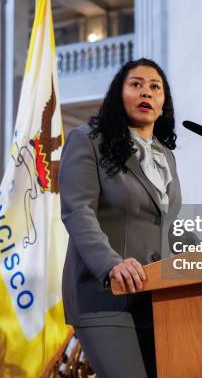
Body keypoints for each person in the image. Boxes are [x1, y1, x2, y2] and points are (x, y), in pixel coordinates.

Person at [59, 58, 181, 378]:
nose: (147, 92)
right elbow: (78, 211)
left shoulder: (164, 155)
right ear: (119, 93)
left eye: (155, 87)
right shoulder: (87, 140)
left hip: (158, 294)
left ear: (164, 101)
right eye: (136, 84)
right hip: (107, 294)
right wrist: (111, 264)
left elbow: (167, 223)